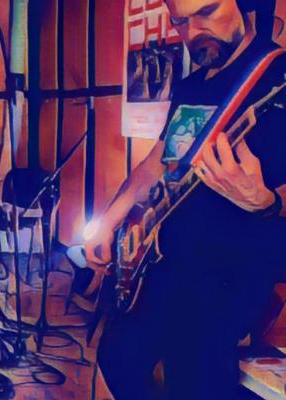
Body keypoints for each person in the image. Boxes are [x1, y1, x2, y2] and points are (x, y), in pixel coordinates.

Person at [86, 0, 286, 398]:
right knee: (118, 355)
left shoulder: (275, 77)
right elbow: (159, 162)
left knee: (193, 375)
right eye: (180, 22)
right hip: (171, 258)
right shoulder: (190, 86)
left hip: (233, 268)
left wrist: (267, 201)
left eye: (206, 12)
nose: (192, 33)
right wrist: (108, 221)